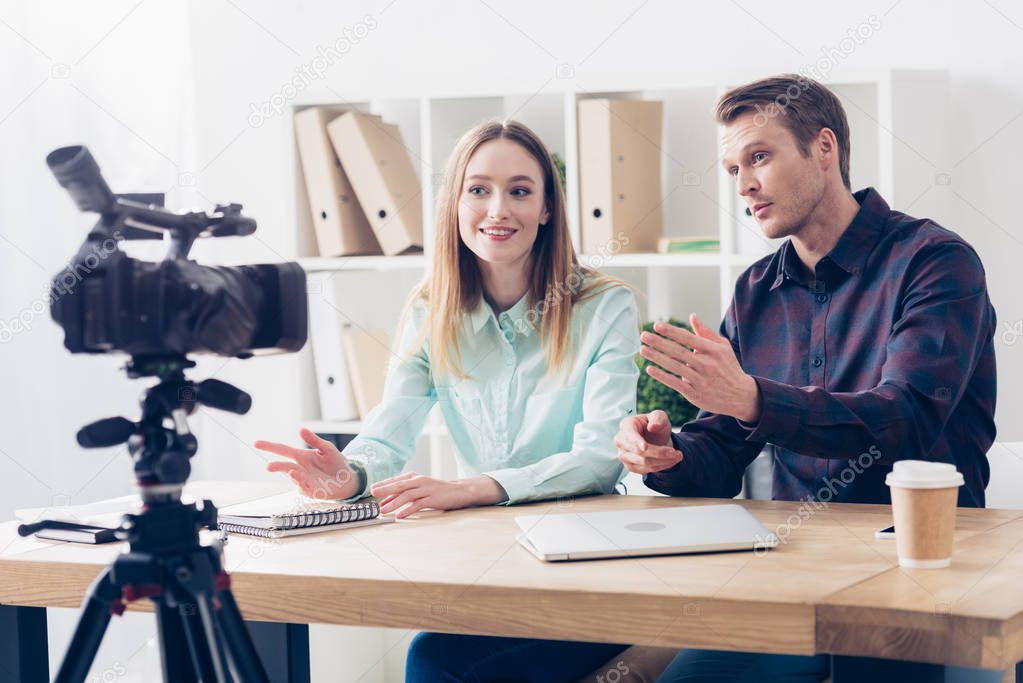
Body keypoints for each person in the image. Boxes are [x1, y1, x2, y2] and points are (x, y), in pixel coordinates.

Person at [615, 74, 997, 682]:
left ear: (825, 149)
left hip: (916, 566)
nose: (744, 186)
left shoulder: (934, 262)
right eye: (733, 169)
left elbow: (906, 416)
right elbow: (722, 448)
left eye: (759, 157)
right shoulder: (753, 292)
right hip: (791, 566)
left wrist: (753, 398)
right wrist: (669, 454)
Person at [255, 119, 640, 682]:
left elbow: (602, 457)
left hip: (587, 565)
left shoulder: (606, 307)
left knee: (434, 659)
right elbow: (390, 430)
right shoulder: (429, 311)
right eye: (478, 189)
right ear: (455, 205)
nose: (498, 210)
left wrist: (475, 488)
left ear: (547, 208)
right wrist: (351, 475)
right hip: (490, 561)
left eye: (520, 191)